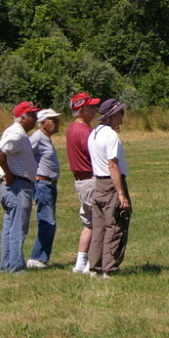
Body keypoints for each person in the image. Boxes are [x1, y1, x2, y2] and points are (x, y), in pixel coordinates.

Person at [0, 101, 40, 273]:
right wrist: (9, 173)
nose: (35, 119)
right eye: (33, 116)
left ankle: (6, 265)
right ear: (23, 118)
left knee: (10, 227)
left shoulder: (14, 132)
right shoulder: (17, 134)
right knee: (18, 228)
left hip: (12, 187)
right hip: (17, 186)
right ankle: (16, 266)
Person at [87, 98, 131, 278]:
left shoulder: (95, 133)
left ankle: (95, 267)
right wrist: (121, 194)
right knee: (115, 225)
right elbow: (112, 165)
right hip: (111, 184)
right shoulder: (111, 135)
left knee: (99, 228)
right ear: (112, 115)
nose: (123, 116)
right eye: (121, 112)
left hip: (98, 184)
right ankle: (109, 269)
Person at [65, 92, 100, 274]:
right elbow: (95, 153)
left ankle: (80, 263)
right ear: (82, 109)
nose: (94, 110)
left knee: (88, 223)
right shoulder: (84, 131)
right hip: (90, 181)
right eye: (91, 107)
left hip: (80, 182)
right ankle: (90, 264)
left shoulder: (72, 129)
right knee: (99, 222)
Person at [26, 109, 61, 269]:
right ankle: (36, 258)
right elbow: (24, 154)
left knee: (49, 221)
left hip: (50, 184)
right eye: (53, 120)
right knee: (48, 222)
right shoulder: (37, 138)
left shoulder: (46, 138)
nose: (57, 123)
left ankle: (40, 257)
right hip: (42, 184)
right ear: (42, 123)